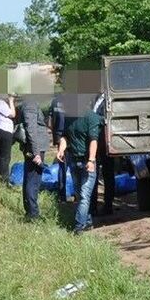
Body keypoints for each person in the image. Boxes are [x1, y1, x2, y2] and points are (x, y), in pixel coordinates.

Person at [55, 93, 105, 233]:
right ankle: (86, 222)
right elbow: (65, 136)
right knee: (82, 196)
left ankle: (78, 227)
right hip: (76, 162)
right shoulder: (73, 118)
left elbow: (93, 141)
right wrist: (61, 149)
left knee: (83, 196)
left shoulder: (89, 117)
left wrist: (91, 160)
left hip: (86, 162)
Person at [15, 90, 58, 221]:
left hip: (35, 147)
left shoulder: (30, 103)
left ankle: (31, 210)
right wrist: (36, 152)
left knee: (32, 178)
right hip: (35, 147)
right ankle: (32, 213)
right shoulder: (30, 104)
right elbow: (31, 129)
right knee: (33, 179)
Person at [0, 91, 16, 181]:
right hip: (4, 131)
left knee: (0, 154)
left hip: (0, 130)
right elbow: (12, 114)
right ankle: (3, 179)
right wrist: (11, 101)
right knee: (5, 156)